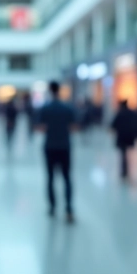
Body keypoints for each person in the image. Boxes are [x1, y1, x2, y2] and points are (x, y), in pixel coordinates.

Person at [35, 81, 79, 223]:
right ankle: (69, 209)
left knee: (50, 177)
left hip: (50, 146)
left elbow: (40, 128)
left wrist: (50, 129)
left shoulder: (45, 108)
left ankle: (52, 207)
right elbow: (74, 127)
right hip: (64, 146)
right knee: (67, 178)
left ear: (49, 90)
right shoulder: (67, 108)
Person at [111, 99, 137, 179]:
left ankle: (124, 171)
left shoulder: (120, 113)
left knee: (123, 154)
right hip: (129, 137)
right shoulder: (131, 113)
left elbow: (113, 124)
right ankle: (126, 170)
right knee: (126, 154)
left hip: (122, 137)